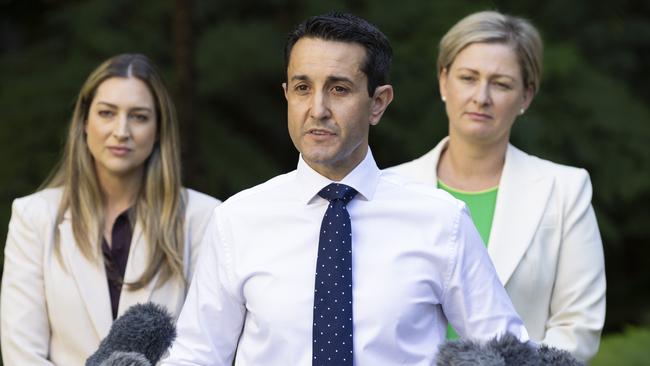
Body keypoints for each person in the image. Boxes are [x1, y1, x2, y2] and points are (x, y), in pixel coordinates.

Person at [162, 13, 529, 366]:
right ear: (287, 94)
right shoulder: (237, 221)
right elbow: (196, 356)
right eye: (303, 88)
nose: (318, 109)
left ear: (378, 103)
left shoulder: (441, 221)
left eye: (339, 89)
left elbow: (508, 355)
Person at [387, 11, 606, 363]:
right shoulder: (388, 189)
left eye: (501, 83)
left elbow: (577, 326)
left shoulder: (565, 189)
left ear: (526, 95)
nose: (481, 96)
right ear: (444, 82)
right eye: (468, 78)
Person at [0, 53, 220, 365]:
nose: (121, 131)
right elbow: (22, 352)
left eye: (139, 116)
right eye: (106, 113)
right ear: (85, 122)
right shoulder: (33, 217)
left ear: (159, 129)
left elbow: (206, 347)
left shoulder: (204, 218)